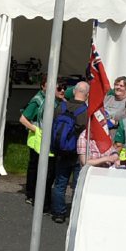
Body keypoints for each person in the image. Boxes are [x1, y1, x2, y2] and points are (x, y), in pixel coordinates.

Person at [49, 81, 89, 224]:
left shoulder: (61, 107)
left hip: (61, 151)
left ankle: (59, 213)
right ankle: (75, 214)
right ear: (87, 94)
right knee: (77, 185)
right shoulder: (86, 111)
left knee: (60, 183)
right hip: (79, 153)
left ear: (74, 92)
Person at [18, 78, 46, 204]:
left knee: (42, 167)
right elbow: (23, 119)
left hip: (43, 139)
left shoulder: (51, 99)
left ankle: (39, 194)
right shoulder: (37, 100)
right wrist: (38, 130)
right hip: (36, 139)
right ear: (42, 86)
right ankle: (31, 194)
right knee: (35, 166)